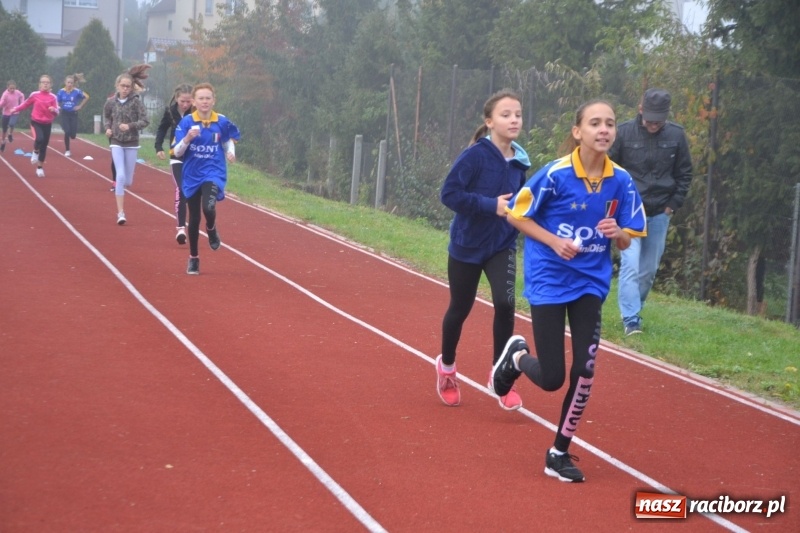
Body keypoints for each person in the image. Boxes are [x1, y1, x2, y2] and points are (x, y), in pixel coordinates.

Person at [491, 100, 646, 482]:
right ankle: (516, 358)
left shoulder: (621, 181)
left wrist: (620, 235)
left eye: (609, 123)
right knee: (552, 378)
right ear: (578, 131)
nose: (604, 129)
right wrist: (554, 242)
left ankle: (558, 452)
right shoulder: (556, 175)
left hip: (591, 282)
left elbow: (628, 239)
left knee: (586, 368)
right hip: (549, 278)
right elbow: (515, 214)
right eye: (595, 123)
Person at [436, 89, 530, 410]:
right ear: (489, 122)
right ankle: (447, 367)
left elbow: (521, 202)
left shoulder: (520, 161)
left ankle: (499, 376)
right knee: (459, 310)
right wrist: (492, 206)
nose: (514, 119)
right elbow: (449, 195)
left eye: (517, 114)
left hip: (501, 245)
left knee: (505, 304)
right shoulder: (474, 156)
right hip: (467, 245)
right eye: (506, 115)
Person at [608, 88, 693, 336]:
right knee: (631, 265)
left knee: (648, 270)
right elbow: (608, 169)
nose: (653, 124)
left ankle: (636, 307)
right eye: (649, 118)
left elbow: (685, 174)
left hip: (660, 212)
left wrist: (672, 206)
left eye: (659, 120)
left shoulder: (677, 135)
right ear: (640, 108)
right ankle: (630, 318)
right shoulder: (623, 133)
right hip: (628, 212)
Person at [172, 82, 240, 275]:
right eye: (200, 98)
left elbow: (228, 139)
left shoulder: (222, 121)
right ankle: (193, 258)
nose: (204, 102)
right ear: (194, 101)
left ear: (213, 100)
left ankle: (211, 227)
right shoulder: (186, 123)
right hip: (192, 174)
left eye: (208, 98)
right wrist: (187, 139)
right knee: (193, 218)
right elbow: (177, 152)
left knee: (208, 207)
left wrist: (230, 152)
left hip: (214, 171)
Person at [104, 65, 151, 225]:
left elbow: (145, 121)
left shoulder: (136, 102)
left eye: (128, 86)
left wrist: (130, 126)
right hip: (116, 141)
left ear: (132, 87)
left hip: (132, 142)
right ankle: (120, 213)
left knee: (128, 181)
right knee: (120, 175)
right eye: (122, 86)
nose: (125, 89)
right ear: (117, 86)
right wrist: (108, 129)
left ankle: (123, 188)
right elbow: (107, 117)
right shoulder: (111, 102)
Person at [155, 83, 193, 245]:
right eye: (182, 101)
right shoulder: (170, 111)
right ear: (177, 99)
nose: (185, 105)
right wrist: (158, 147)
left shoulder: (198, 113)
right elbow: (162, 129)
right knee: (181, 190)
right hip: (176, 156)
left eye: (188, 101)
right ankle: (180, 229)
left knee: (194, 194)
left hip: (194, 157)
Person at [11, 75, 59, 177]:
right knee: (39, 139)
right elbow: (25, 104)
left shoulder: (53, 97)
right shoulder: (34, 95)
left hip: (47, 123)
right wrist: (15, 109)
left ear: (51, 85)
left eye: (47, 82)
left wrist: (53, 110)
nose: (45, 84)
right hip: (36, 122)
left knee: (44, 146)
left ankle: (40, 168)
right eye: (43, 82)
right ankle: (35, 151)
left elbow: (57, 112)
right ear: (39, 84)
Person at [56, 73, 90, 157]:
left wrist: (80, 106)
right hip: (64, 114)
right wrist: (57, 107)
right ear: (65, 82)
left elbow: (87, 97)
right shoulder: (61, 91)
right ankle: (67, 150)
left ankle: (72, 135)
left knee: (73, 135)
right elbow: (56, 101)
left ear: (73, 83)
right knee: (67, 132)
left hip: (73, 114)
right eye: (68, 82)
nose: (69, 84)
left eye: (71, 83)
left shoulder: (77, 91)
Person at [0, 80, 25, 153]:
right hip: (6, 113)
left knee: (11, 124)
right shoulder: (5, 94)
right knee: (4, 130)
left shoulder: (17, 92)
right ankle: (3, 143)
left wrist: (22, 103)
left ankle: (10, 134)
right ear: (7, 87)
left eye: (14, 88)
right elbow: (1, 102)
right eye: (11, 88)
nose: (12, 90)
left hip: (15, 112)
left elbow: (22, 95)